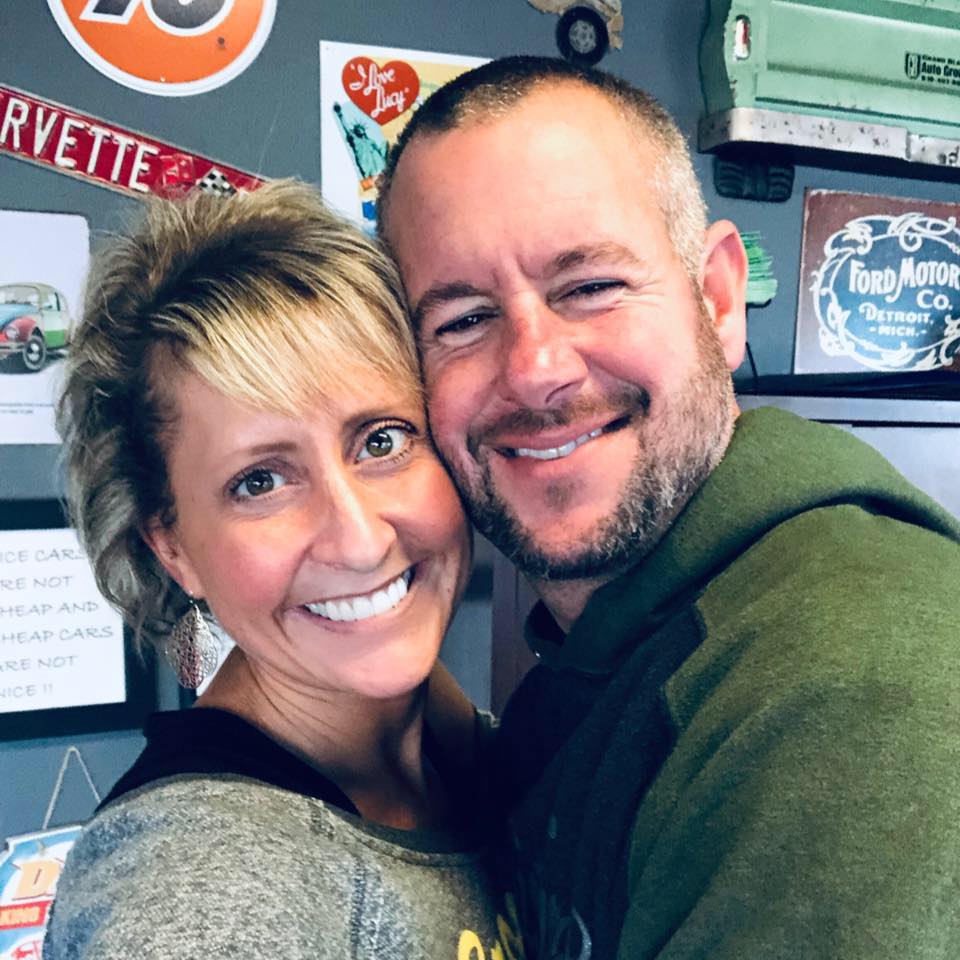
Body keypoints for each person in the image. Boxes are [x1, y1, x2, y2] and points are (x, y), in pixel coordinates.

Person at [377, 55, 960, 960]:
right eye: (463, 321)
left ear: (718, 299)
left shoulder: (845, 697)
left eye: (590, 288)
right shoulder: (619, 644)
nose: (534, 370)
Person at [44, 179, 513, 960]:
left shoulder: (447, 745)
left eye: (382, 439)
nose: (359, 541)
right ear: (173, 549)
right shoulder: (198, 892)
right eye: (259, 482)